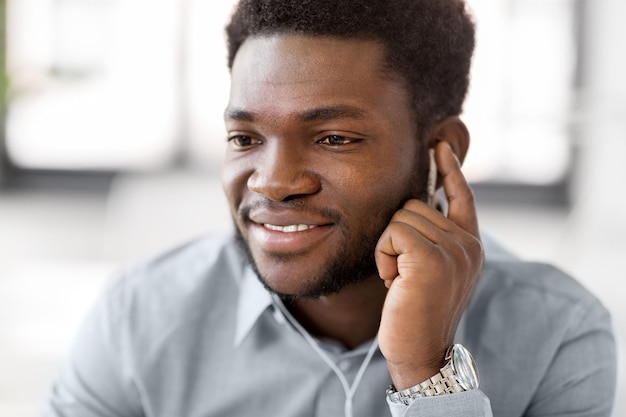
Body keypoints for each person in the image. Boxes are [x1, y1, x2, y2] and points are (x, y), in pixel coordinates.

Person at [43, 0, 617, 416]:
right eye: (245, 139)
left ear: (444, 152)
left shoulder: (556, 331)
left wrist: (428, 374)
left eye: (334, 138)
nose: (273, 183)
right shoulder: (138, 319)